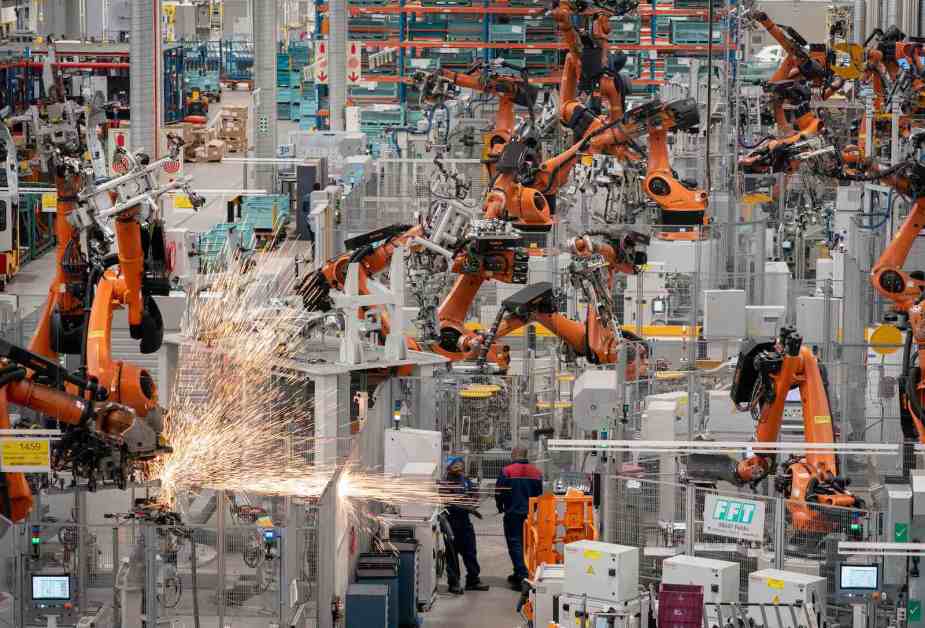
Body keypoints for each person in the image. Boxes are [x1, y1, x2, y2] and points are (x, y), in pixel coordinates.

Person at [496, 447, 543, 589]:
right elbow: (538, 493)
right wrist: (533, 510)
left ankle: (522, 577)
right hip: (529, 514)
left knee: (515, 543)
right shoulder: (536, 473)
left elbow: (499, 491)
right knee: (527, 543)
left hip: (513, 513)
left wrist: (500, 506)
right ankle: (522, 572)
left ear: (514, 455)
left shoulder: (507, 471)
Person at [440, 456, 489, 593]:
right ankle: (454, 583)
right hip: (451, 524)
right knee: (452, 555)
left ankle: (473, 580)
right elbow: (449, 502)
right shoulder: (445, 483)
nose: (458, 467)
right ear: (449, 467)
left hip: (465, 524)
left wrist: (472, 502)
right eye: (454, 465)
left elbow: (475, 493)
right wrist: (467, 506)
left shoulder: (465, 480)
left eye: (459, 464)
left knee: (470, 552)